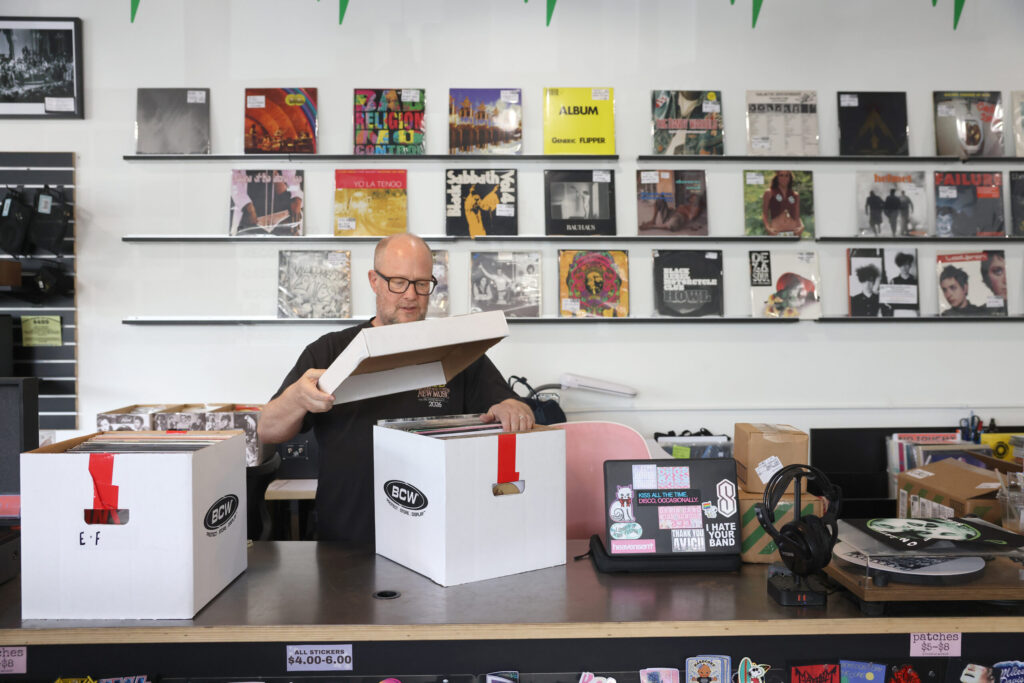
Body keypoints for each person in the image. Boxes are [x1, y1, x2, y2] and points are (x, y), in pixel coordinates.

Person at [258, 234, 534, 544]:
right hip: (345, 544)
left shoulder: (458, 352)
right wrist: (297, 397)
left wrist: (513, 408)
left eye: (421, 284)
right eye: (398, 282)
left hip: (435, 540)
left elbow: (514, 407)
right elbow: (268, 429)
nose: (411, 296)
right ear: (374, 280)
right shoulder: (329, 351)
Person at [761, 171, 803, 236]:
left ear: (790, 178)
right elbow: (764, 213)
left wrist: (802, 226)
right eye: (781, 175)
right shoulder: (769, 192)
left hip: (794, 232)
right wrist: (768, 228)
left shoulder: (795, 195)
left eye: (787, 176)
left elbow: (797, 216)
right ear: (777, 177)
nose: (784, 178)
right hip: (776, 232)